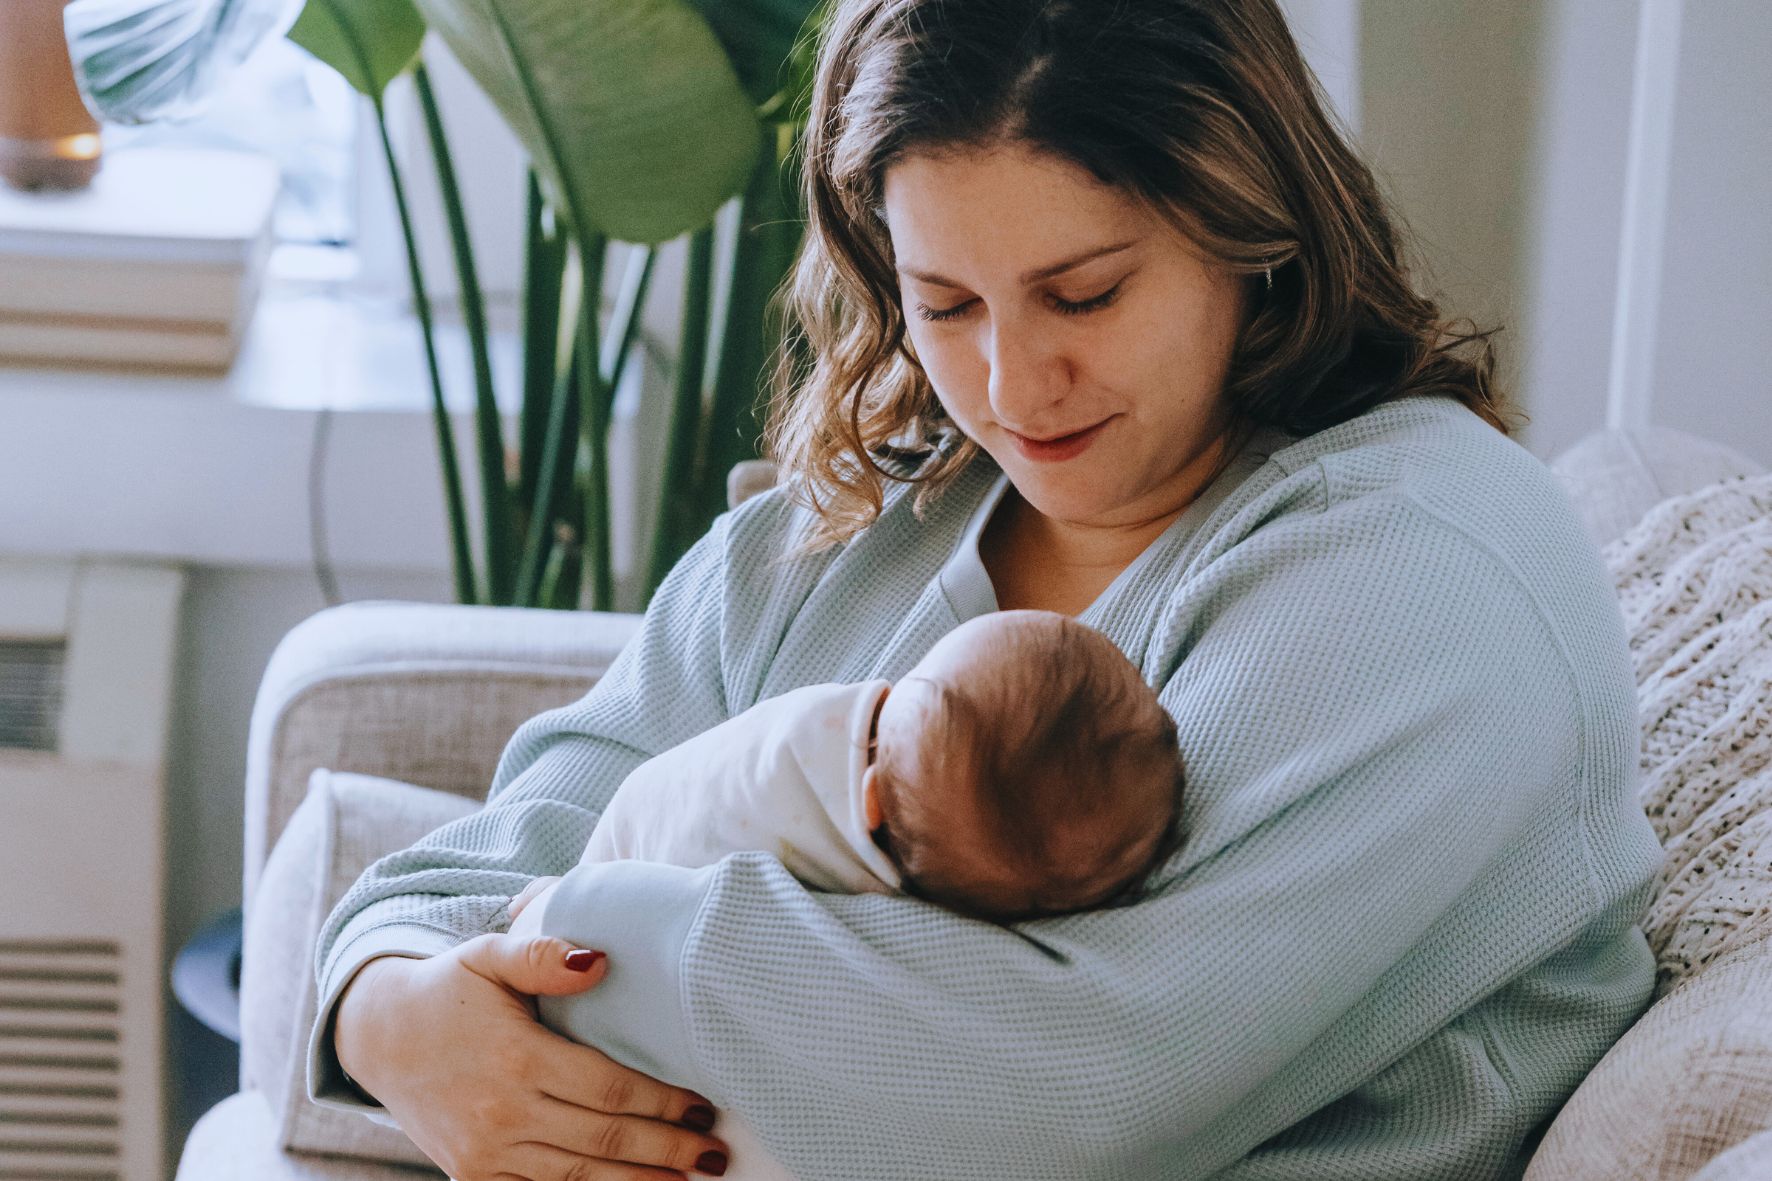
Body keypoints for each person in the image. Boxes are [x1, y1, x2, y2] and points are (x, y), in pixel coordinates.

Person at [307, 1, 1663, 1178]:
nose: (1014, 387)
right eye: (947, 305)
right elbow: (499, 844)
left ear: (1250, 232)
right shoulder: (839, 528)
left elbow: (1067, 1090)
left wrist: (575, 938)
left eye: (1083, 295)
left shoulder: (1425, 562)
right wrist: (389, 1010)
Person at [505, 609, 1186, 1181]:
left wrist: (564, 908)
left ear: (869, 802)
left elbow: (660, 816)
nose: (868, 703)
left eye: (889, 706)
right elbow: (552, 820)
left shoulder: (797, 767)